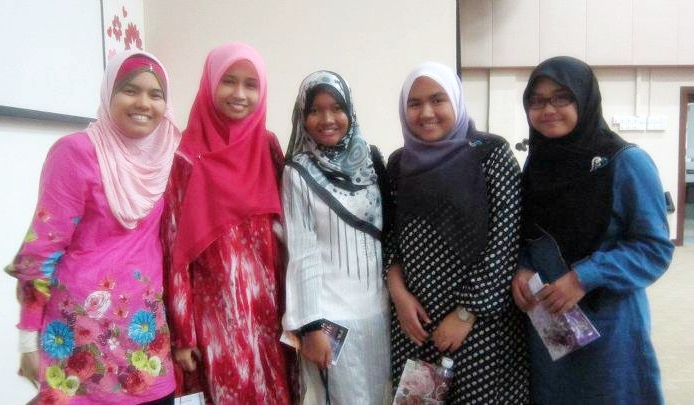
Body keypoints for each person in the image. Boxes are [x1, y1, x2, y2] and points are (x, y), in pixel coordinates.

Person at [5, 50, 181, 404]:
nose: (143, 103)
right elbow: (42, 247)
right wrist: (27, 339)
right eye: (130, 90)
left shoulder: (167, 157)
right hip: (78, 336)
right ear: (109, 93)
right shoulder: (75, 152)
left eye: (155, 94)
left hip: (144, 335)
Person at [511, 56, 675, 404]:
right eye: (536, 101)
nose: (548, 109)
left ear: (584, 99)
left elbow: (654, 248)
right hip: (550, 326)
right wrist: (523, 267)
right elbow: (529, 231)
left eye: (561, 97)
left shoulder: (625, 161)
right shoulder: (537, 163)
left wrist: (584, 277)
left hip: (609, 324)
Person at [383, 62, 530, 404]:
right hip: (416, 324)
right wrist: (399, 295)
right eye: (414, 103)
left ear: (456, 101)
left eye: (438, 100)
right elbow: (389, 236)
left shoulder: (490, 154)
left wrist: (466, 313)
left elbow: (504, 242)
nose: (426, 113)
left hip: (481, 326)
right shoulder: (398, 164)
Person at [161, 42, 292, 404]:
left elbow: (289, 233)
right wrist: (183, 334)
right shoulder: (185, 157)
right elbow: (176, 252)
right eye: (228, 81)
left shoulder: (268, 147)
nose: (239, 94)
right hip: (216, 321)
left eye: (251, 84)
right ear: (210, 84)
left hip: (271, 314)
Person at [281, 70, 392, 404]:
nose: (327, 119)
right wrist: (311, 326)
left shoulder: (371, 160)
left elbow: (389, 236)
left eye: (336, 108)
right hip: (331, 321)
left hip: (379, 313)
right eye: (315, 110)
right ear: (303, 116)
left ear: (350, 111)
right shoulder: (298, 171)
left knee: (383, 397)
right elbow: (302, 253)